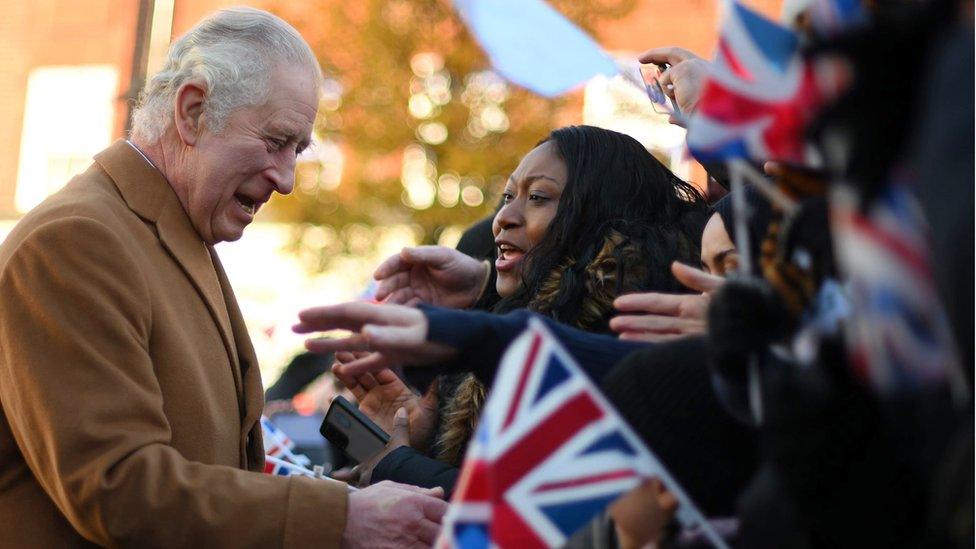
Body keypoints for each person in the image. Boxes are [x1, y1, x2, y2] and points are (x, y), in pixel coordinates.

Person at [0, 8, 445, 547]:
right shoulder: (78, 240)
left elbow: (215, 466)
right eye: (277, 141)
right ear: (193, 111)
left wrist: (358, 488)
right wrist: (339, 519)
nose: (286, 180)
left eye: (299, 150)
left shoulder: (168, 231)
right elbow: (118, 487)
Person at [332, 125, 710, 491]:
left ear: (598, 214)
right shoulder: (520, 317)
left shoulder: (625, 338)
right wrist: (414, 436)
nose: (502, 219)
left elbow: (543, 512)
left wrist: (398, 466)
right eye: (509, 197)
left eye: (539, 197)